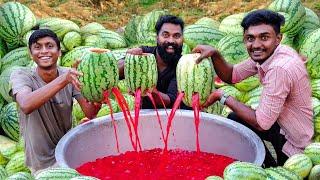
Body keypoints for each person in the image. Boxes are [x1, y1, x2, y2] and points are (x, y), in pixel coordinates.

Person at [193, 9, 313, 167]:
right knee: (236, 120)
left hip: (294, 143)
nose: (256, 44)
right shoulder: (270, 53)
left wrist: (223, 97)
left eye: (264, 37)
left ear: (278, 38)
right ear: (244, 39)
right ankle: (268, 165)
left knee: (283, 173)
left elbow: (261, 123)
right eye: (250, 38)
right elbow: (232, 75)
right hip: (282, 124)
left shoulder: (279, 69)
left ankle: (271, 169)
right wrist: (215, 54)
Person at [9, 29, 101, 174]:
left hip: (66, 153)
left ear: (59, 52)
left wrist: (97, 90)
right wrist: (63, 80)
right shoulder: (21, 75)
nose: (44, 51)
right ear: (30, 53)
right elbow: (26, 104)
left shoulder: (69, 74)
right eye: (37, 47)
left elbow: (90, 111)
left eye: (49, 46)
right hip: (40, 163)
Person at [120, 15, 190, 109]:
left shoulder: (184, 65)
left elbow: (170, 100)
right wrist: (129, 60)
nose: (171, 40)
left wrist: (146, 89)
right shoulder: (143, 54)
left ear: (182, 39)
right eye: (165, 35)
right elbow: (113, 72)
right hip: (143, 115)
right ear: (157, 37)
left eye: (176, 36)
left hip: (174, 116)